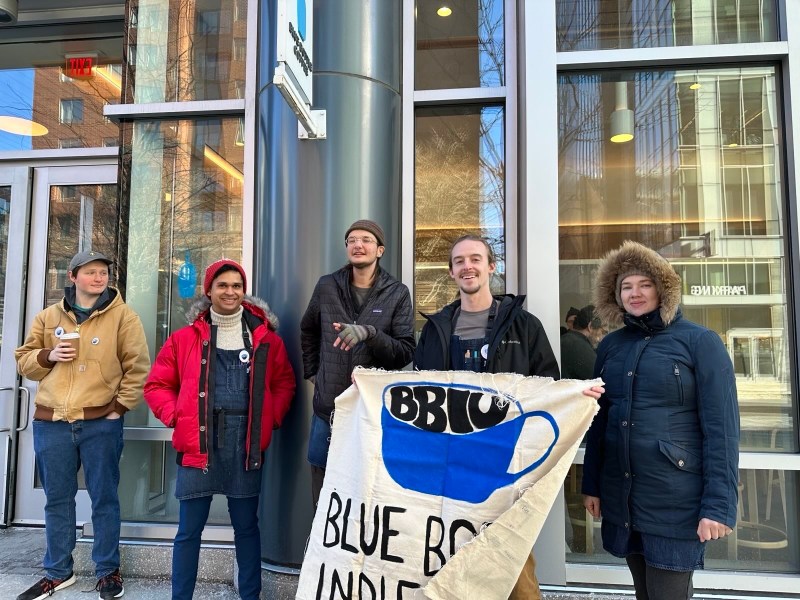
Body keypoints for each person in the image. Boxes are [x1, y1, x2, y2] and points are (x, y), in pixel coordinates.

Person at [414, 235, 603, 600]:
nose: (467, 266)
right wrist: (367, 384)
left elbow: (548, 385)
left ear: (491, 267)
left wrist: (575, 395)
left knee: (511, 555)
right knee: (449, 553)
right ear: (452, 272)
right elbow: (420, 388)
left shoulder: (523, 326)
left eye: (475, 259)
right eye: (459, 261)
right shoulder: (437, 329)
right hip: (452, 461)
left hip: (506, 459)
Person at [582, 241, 740, 600]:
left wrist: (718, 506)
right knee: (644, 593)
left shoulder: (700, 342)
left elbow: (723, 431)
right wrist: (592, 484)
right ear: (615, 295)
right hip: (623, 495)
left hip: (676, 500)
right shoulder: (610, 346)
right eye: (626, 286)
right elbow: (600, 420)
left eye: (644, 284)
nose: (634, 293)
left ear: (663, 288)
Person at [144, 259, 295, 600]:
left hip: (246, 444)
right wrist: (176, 416)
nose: (230, 292)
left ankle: (250, 596)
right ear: (208, 290)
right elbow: (157, 385)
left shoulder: (266, 339)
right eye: (223, 285)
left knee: (246, 528)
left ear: (245, 292)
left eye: (237, 286)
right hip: (198, 441)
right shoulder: (184, 339)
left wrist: (269, 419)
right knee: (188, 531)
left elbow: (285, 382)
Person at [15, 250, 150, 600]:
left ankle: (107, 572)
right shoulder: (48, 317)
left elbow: (138, 367)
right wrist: (49, 355)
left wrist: (118, 408)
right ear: (73, 277)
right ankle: (58, 573)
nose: (99, 278)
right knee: (58, 500)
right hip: (52, 421)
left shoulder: (123, 317)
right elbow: (25, 363)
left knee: (105, 497)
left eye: (103, 272)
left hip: (100, 423)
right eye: (91, 272)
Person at [300, 219, 415, 506]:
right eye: (352, 240)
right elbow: (308, 329)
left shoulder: (397, 293)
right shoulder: (327, 286)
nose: (358, 245)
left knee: (368, 492)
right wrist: (315, 372)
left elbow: (404, 352)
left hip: (372, 413)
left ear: (380, 250)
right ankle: (322, 552)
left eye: (365, 239)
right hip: (328, 410)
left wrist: (370, 334)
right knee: (323, 494)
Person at [560, 304, 600, 379]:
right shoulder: (578, 345)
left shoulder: (568, 339)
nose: (601, 336)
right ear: (590, 326)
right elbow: (598, 378)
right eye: (602, 330)